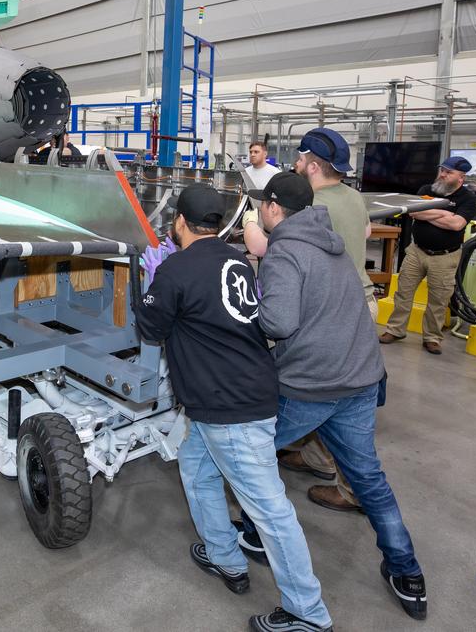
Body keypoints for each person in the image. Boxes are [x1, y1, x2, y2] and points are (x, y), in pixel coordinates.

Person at [137, 184, 333, 632]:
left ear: (180, 222)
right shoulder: (236, 258)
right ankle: (225, 556)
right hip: (235, 394)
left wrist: (148, 287)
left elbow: (150, 326)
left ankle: (308, 613)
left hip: (229, 407)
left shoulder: (176, 268)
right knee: (197, 470)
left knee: (270, 510)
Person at [240, 172, 428, 621]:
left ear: (271, 208)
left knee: (253, 458)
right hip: (360, 377)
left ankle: (253, 535)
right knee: (368, 477)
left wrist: (250, 307)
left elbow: (280, 323)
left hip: (312, 385)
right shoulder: (331, 240)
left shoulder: (285, 250)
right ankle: (407, 574)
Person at [248, 128, 376, 516]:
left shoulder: (309, 205)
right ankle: (318, 458)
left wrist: (252, 223)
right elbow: (367, 232)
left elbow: (270, 249)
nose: (297, 164)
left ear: (314, 166)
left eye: (301, 159)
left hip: (321, 308)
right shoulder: (354, 197)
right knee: (341, 399)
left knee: (319, 388)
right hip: (360, 300)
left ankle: (349, 491)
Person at [378, 155, 476, 354]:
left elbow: (457, 224)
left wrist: (433, 212)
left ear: (461, 178)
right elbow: (415, 213)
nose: (442, 175)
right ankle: (395, 330)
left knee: (438, 300)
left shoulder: (468, 199)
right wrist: (445, 213)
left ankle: (432, 338)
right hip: (417, 251)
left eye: (448, 172)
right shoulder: (426, 190)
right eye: (442, 170)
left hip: (445, 257)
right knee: (403, 293)